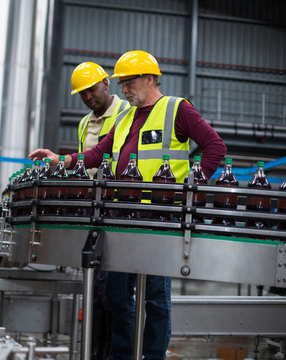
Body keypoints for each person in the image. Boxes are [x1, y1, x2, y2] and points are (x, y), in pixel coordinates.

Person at [29, 50, 227, 360]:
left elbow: (215, 146)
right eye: (121, 84)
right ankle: (121, 355)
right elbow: (97, 155)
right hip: (121, 217)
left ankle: (153, 355)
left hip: (159, 219)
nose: (124, 90)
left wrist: (192, 180)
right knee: (116, 296)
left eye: (129, 83)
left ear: (150, 79)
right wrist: (62, 159)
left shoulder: (177, 109)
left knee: (155, 298)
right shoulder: (124, 117)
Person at [70, 61, 130, 360]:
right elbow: (87, 161)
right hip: (93, 210)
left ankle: (115, 353)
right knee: (94, 288)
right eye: (82, 94)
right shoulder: (84, 123)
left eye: (91, 90)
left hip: (120, 209)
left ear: (106, 84)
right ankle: (95, 351)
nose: (88, 97)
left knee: (114, 293)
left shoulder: (126, 114)